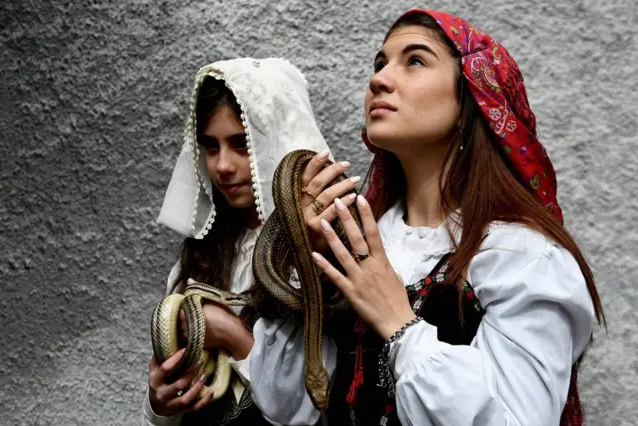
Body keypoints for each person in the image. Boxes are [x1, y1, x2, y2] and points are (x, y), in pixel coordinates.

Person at [249, 9, 604, 426]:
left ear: (471, 99)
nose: (378, 79)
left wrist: (400, 325)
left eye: (415, 60)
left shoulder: (522, 257)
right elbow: (285, 408)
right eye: (379, 63)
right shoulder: (358, 242)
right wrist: (306, 261)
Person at [142, 57, 356, 426]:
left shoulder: (319, 256)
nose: (223, 166)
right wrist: (158, 405)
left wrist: (230, 334)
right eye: (211, 146)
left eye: (241, 144)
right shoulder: (202, 251)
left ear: (273, 141)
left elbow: (300, 412)